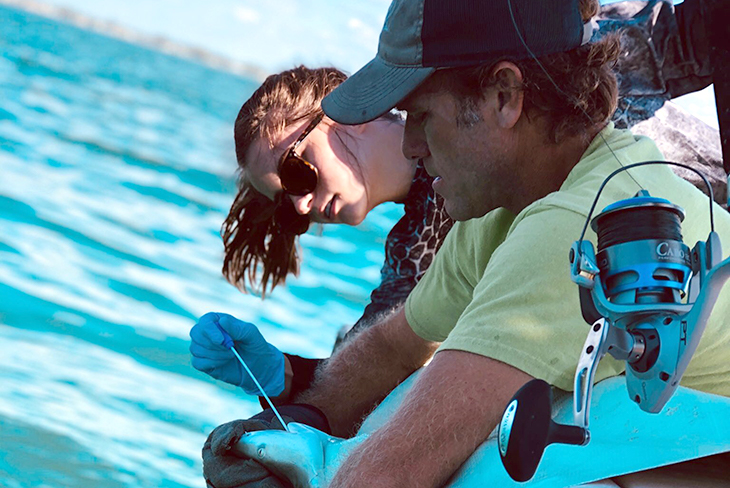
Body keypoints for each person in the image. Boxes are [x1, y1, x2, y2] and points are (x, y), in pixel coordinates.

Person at [198, 0, 730, 486]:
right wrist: (300, 420)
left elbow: (390, 474)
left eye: (421, 115)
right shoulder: (494, 206)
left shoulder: (571, 221)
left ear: (504, 97)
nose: (410, 144)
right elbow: (392, 346)